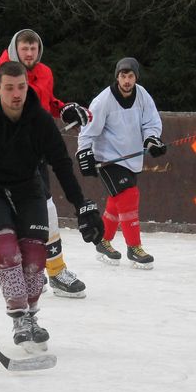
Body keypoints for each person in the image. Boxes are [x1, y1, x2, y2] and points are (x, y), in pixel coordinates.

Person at [0, 61, 104, 352]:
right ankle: (18, 317)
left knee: (35, 253)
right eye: (9, 88)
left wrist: (82, 206)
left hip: (27, 187)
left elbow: (62, 165)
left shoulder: (40, 121)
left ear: (28, 87)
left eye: (21, 87)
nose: (16, 94)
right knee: (6, 247)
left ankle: (31, 317)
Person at [0, 29, 93, 298]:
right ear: (15, 50)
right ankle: (53, 271)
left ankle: (35, 268)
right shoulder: (2, 79)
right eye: (25, 49)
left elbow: (46, 103)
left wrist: (63, 108)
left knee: (39, 211)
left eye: (33, 49)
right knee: (43, 210)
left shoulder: (44, 73)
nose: (29, 54)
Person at [75, 57, 165, 269]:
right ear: (117, 77)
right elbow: (88, 129)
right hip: (108, 158)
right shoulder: (103, 100)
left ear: (136, 77)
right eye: (123, 76)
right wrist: (84, 151)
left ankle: (103, 241)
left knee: (117, 202)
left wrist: (151, 139)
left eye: (130, 76)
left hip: (131, 158)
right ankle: (134, 247)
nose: (126, 80)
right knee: (129, 196)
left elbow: (151, 122)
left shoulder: (142, 95)